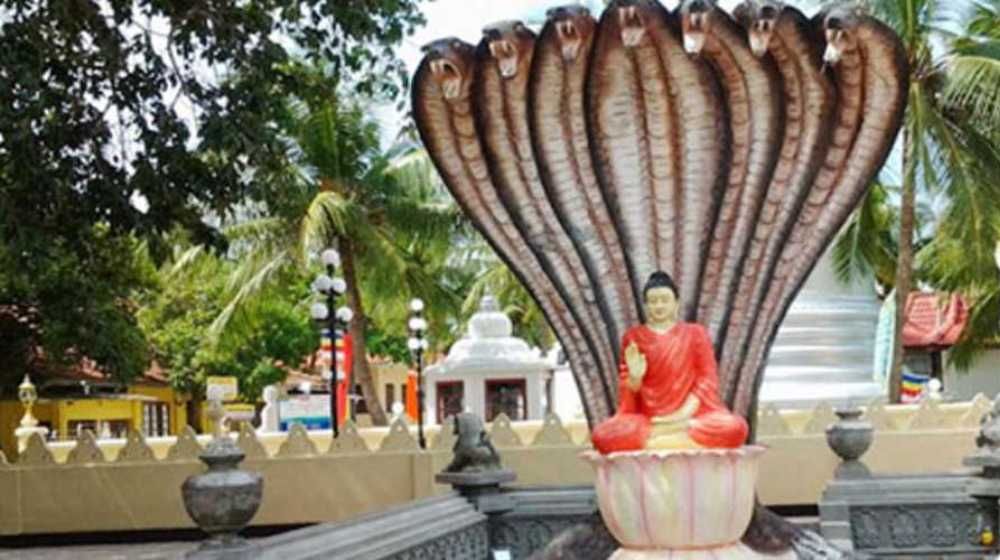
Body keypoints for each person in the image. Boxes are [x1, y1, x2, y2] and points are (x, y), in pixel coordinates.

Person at [591, 271, 749, 454]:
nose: (659, 306)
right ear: (645, 305)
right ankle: (676, 438)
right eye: (653, 301)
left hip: (690, 416)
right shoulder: (634, 337)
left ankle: (657, 440)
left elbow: (707, 380)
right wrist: (634, 378)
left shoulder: (695, 333)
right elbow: (629, 396)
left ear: (676, 303)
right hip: (651, 419)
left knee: (736, 427)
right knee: (602, 435)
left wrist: (683, 413)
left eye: (665, 300)